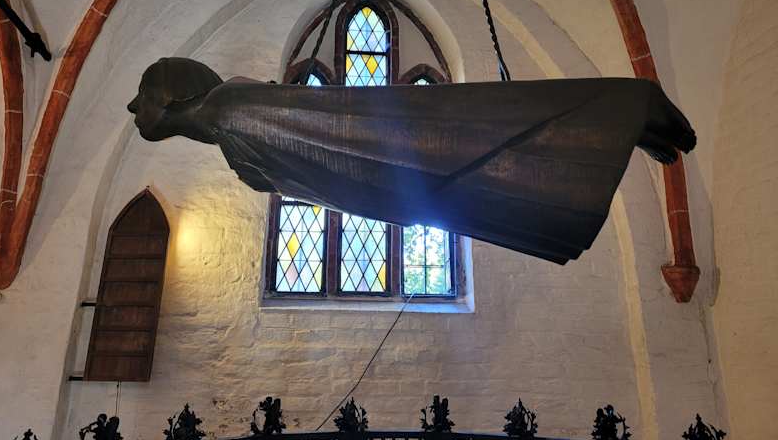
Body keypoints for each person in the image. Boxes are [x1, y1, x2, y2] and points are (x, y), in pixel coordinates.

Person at [128, 57, 695, 264]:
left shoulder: (230, 110)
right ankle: (612, 118)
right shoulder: (227, 122)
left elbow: (333, 125)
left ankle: (620, 108)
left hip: (377, 160)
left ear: (170, 95)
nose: (135, 107)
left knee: (468, 140)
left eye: (143, 94)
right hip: (369, 185)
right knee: (477, 186)